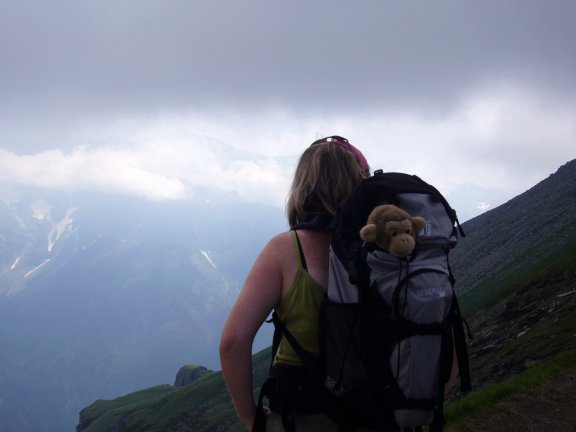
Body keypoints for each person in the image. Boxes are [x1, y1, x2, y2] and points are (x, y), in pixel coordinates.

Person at [219, 136, 370, 432]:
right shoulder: (389, 251)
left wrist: (250, 417)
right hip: (376, 414)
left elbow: (233, 341)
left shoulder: (285, 250)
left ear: (303, 185)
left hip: (302, 415)